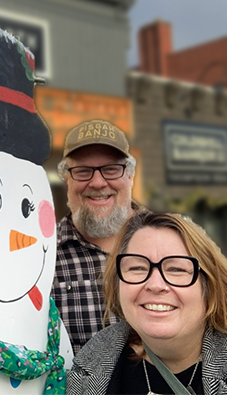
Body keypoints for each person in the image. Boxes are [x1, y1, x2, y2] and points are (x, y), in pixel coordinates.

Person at [67, 211, 227, 394]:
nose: (155, 285)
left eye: (176, 269)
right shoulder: (86, 370)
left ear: (209, 286)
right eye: (137, 268)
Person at [52, 119, 143, 353]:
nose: (98, 182)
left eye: (111, 169)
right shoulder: (42, 257)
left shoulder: (175, 242)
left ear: (130, 176)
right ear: (67, 178)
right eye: (83, 171)